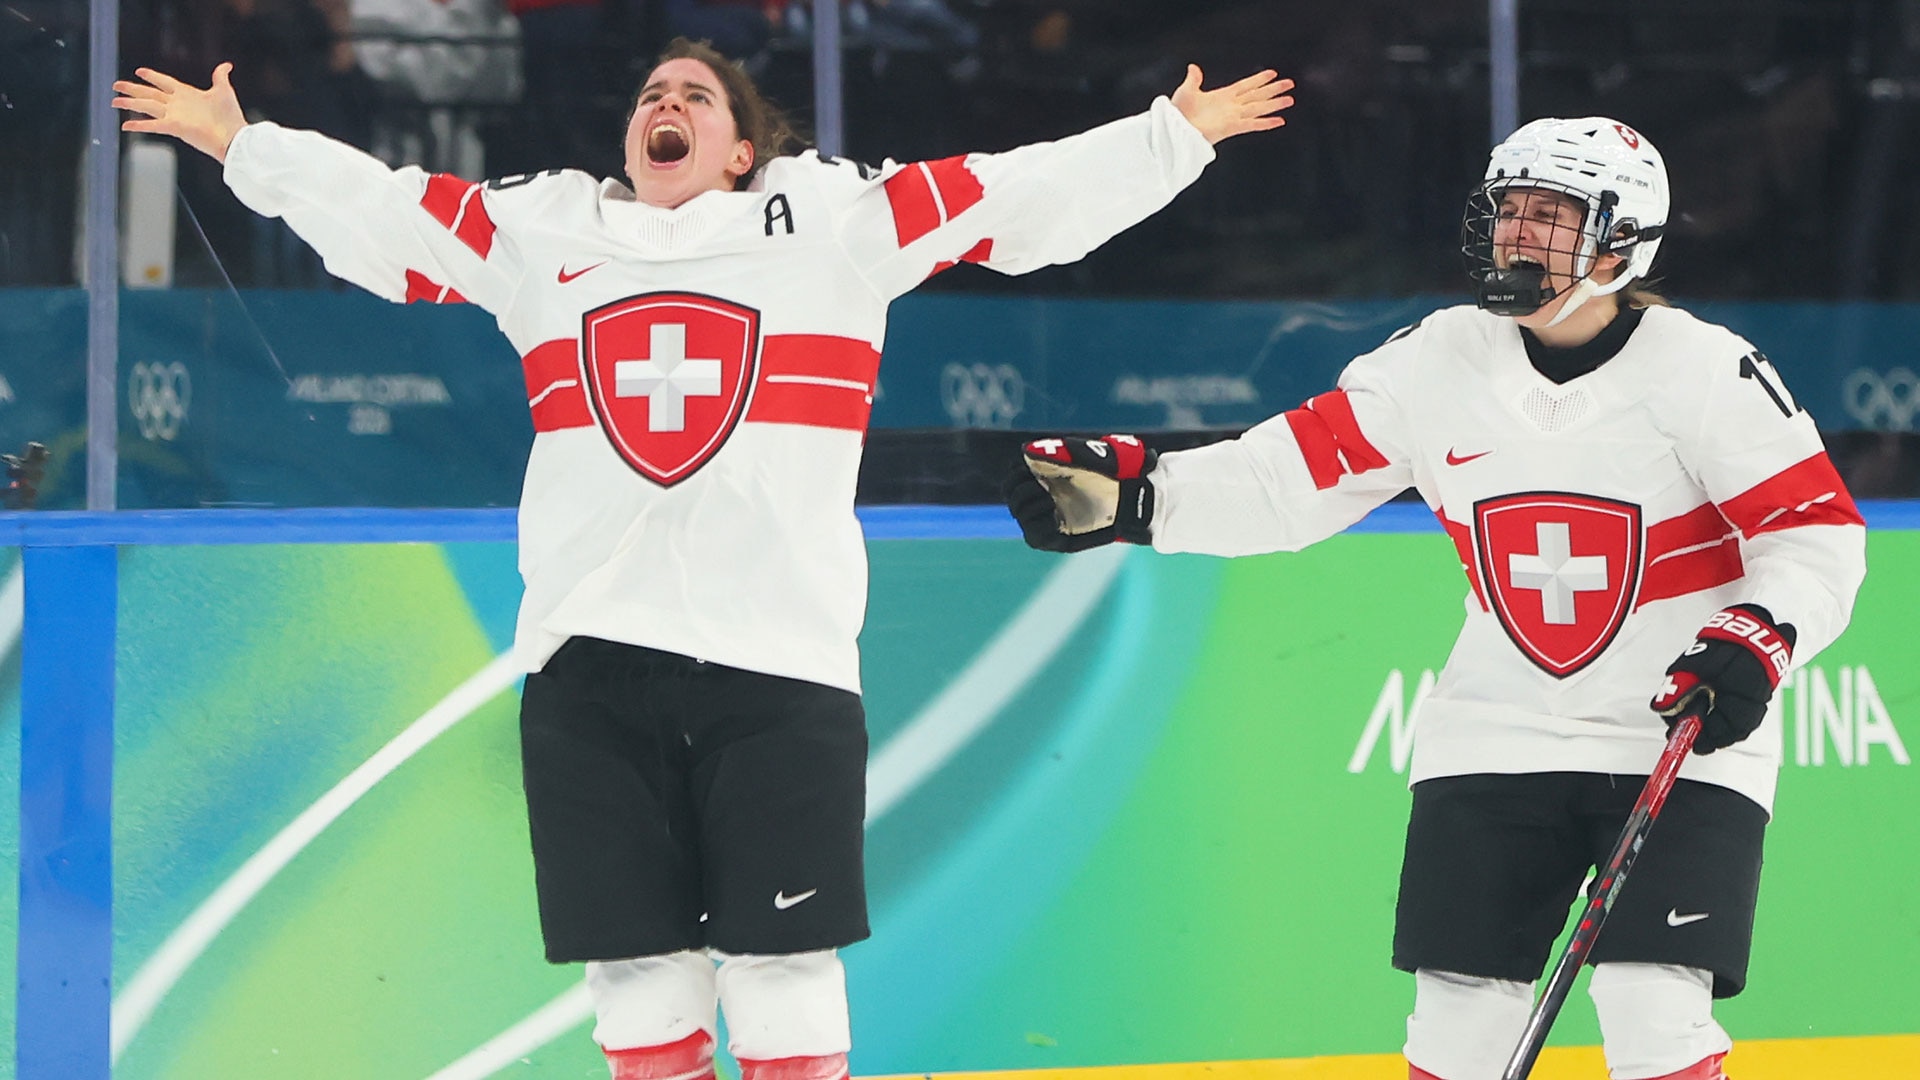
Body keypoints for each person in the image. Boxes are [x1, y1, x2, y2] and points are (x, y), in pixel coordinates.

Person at [113, 40, 1293, 1080]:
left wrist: (1166, 139)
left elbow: (1016, 193)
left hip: (777, 663)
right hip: (589, 665)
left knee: (782, 973)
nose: (662, 103)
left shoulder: (834, 224)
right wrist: (241, 144)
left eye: (694, 96)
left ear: (739, 149)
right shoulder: (542, 233)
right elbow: (384, 210)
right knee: (635, 979)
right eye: (648, 94)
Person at [1004, 117, 1865, 1080]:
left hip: (1679, 734)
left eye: (1552, 215)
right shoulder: (1436, 360)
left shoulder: (1705, 369)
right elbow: (1289, 478)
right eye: (1509, 211)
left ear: (1624, 240)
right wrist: (1145, 498)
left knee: (1653, 1005)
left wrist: (1756, 638)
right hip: (1499, 730)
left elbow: (1814, 532)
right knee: (1455, 1023)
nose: (1517, 235)